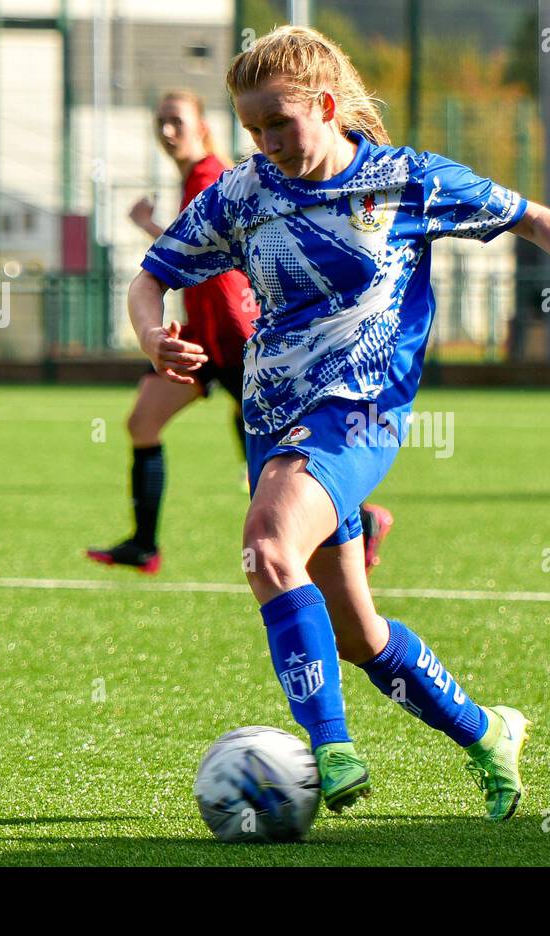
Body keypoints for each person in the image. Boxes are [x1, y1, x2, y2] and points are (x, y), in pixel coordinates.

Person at [128, 27, 550, 820]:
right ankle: (488, 733)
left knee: (269, 549)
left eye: (280, 122)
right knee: (356, 633)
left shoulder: (404, 180)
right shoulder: (243, 193)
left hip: (361, 411)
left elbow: (529, 216)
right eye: (253, 128)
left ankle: (332, 749)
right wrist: (151, 335)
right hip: (273, 420)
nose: (268, 142)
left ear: (324, 105)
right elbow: (151, 279)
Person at [87, 89, 393, 575]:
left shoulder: (210, 176)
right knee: (143, 423)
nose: (167, 132)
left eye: (177, 122)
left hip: (232, 340)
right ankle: (144, 545)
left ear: (202, 125)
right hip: (200, 338)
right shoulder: (198, 177)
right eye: (160, 122)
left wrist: (148, 226)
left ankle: (359, 522)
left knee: (275, 470)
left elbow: (206, 257)